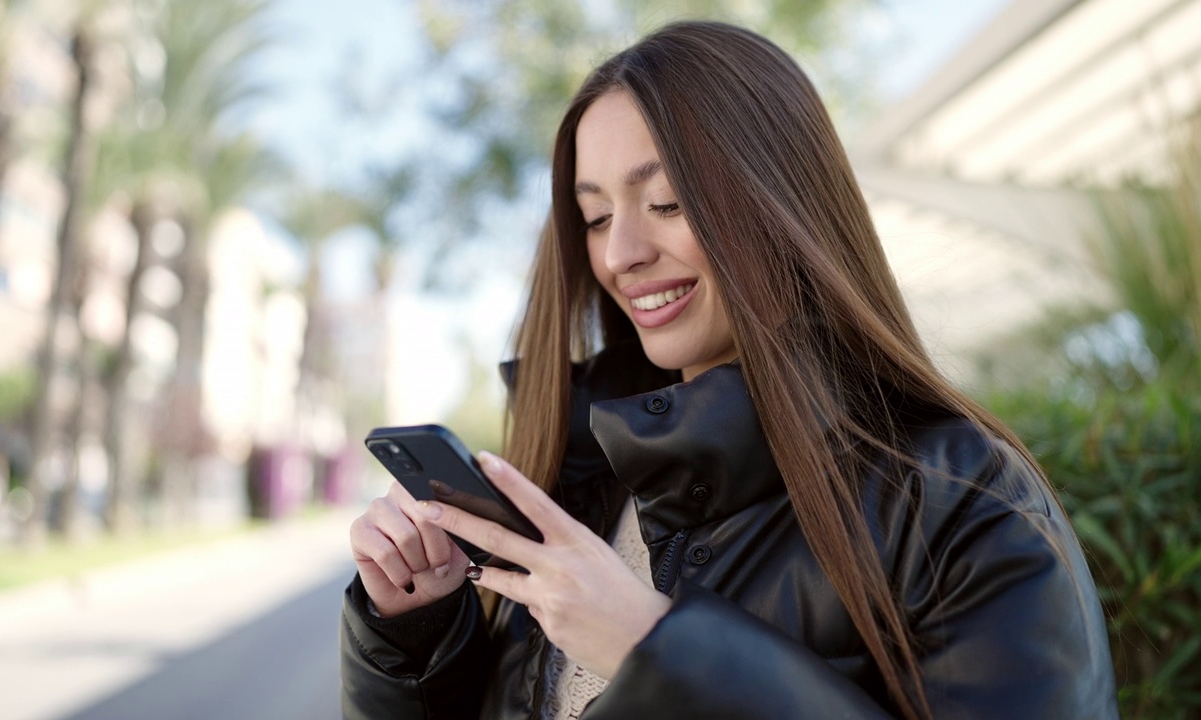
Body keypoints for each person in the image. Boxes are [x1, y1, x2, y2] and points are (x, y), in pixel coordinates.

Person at [340, 20, 1118, 720]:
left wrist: (658, 652)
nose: (621, 254)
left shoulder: (960, 503)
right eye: (598, 216)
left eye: (668, 203)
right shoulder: (579, 488)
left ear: (782, 203)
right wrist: (415, 630)